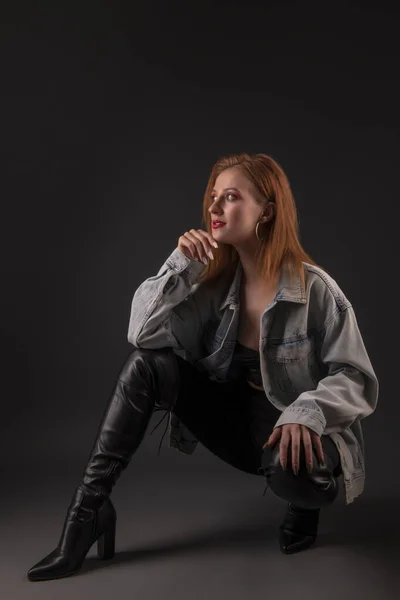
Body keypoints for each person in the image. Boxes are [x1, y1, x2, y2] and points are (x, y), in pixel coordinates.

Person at [27, 153, 379, 581]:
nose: (213, 208)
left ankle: (302, 504)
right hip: (233, 426)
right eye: (213, 197)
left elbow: (356, 377)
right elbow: (141, 334)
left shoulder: (315, 290)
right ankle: (88, 511)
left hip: (288, 439)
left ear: (266, 211)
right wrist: (181, 264)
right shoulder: (212, 287)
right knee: (145, 365)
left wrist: (308, 413)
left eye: (230, 197)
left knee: (298, 473)